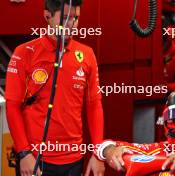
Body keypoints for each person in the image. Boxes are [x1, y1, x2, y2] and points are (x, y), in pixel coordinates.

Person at [5, 0, 105, 175]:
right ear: (47, 16)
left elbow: (94, 106)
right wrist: (24, 152)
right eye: (66, 18)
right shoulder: (24, 53)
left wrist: (97, 153)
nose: (72, 25)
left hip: (74, 160)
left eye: (76, 18)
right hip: (35, 160)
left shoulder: (87, 54)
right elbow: (12, 106)